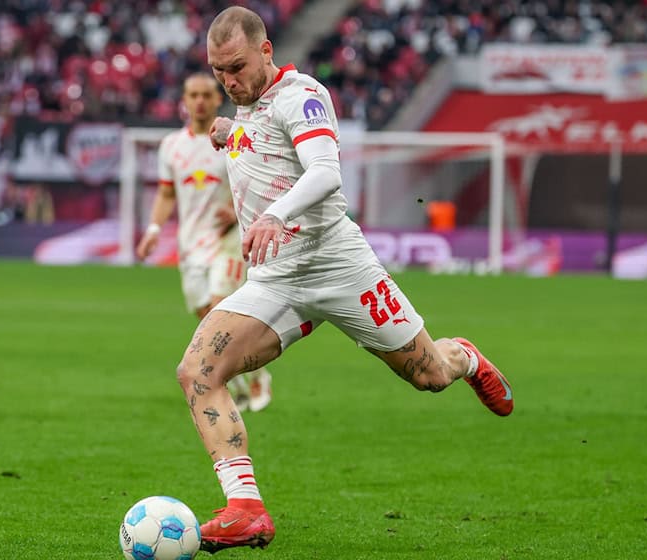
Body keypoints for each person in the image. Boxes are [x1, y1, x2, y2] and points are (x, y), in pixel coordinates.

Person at [178, 7, 514, 553]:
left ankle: (465, 358)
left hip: (340, 266)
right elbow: (259, 139)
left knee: (428, 376)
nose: (228, 81)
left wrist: (273, 216)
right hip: (276, 279)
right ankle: (245, 508)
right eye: (218, 72)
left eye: (236, 67)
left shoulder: (303, 94)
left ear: (266, 52)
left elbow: (324, 172)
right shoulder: (247, 109)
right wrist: (228, 130)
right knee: (197, 373)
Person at [137, 72, 273, 413]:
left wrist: (237, 209)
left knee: (218, 308)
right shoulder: (172, 145)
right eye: (192, 94)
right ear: (184, 100)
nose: (199, 101)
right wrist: (154, 229)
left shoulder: (234, 138)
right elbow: (167, 193)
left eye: (205, 95)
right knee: (205, 318)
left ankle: (253, 378)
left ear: (217, 99)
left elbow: (260, 180)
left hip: (228, 242)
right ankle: (243, 383)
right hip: (190, 245)